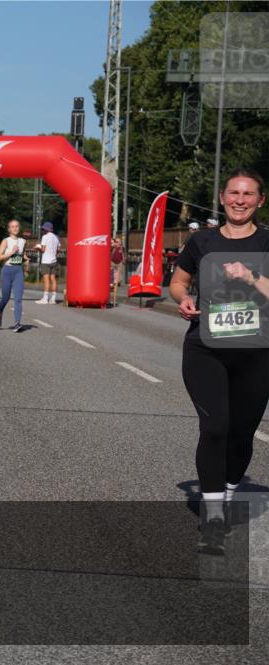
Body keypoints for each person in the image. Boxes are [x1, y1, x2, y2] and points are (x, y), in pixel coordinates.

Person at [169, 168, 268, 553]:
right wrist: (183, 299)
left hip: (257, 352)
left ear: (260, 200)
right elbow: (178, 281)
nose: (239, 200)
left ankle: (225, 496)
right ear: (222, 198)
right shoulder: (202, 240)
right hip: (205, 348)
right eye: (233, 193)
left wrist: (251, 277)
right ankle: (212, 518)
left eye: (248, 194)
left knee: (241, 433)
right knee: (215, 428)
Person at [0, 219, 27, 331]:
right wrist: (11, 253)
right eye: (12, 227)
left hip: (18, 271)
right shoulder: (6, 241)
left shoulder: (23, 241)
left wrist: (25, 259)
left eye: (17, 226)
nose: (15, 228)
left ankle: (17, 322)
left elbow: (22, 256)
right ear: (9, 229)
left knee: (18, 298)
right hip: (7, 271)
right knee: (5, 297)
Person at [35, 221, 61, 304]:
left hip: (46, 261)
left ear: (46, 229)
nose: (43, 230)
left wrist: (37, 248)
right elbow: (58, 250)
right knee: (53, 279)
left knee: (46, 279)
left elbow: (43, 249)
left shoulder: (45, 237)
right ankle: (53, 299)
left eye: (43, 229)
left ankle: (45, 298)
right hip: (54, 260)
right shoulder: (56, 238)